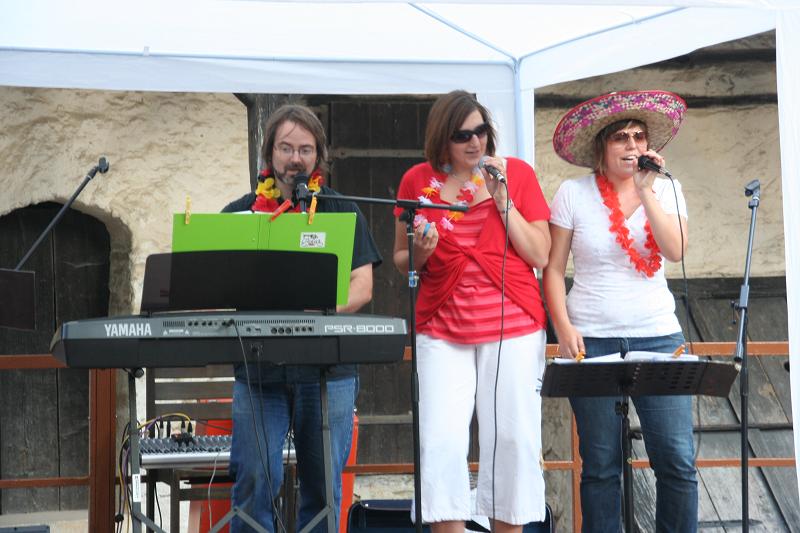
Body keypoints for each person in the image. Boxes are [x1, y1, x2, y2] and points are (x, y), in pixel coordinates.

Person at [393, 90, 551, 533]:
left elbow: (540, 253)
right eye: (462, 135)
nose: (475, 141)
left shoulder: (515, 173)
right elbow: (403, 259)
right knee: (441, 439)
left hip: (513, 324)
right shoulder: (417, 181)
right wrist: (422, 252)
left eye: (481, 131)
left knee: (512, 437)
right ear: (442, 139)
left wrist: (503, 201)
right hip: (443, 326)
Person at [223, 104, 381, 533]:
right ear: (269, 153)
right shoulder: (239, 214)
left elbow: (363, 286)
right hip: (260, 372)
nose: (295, 158)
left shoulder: (342, 210)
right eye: (286, 148)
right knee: (255, 482)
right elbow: (216, 283)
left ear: (318, 155)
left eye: (305, 149)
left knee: (323, 490)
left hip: (327, 373)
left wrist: (320, 309)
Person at [543, 90, 695, 532]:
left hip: (659, 337)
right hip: (592, 339)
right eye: (621, 138)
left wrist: (647, 192)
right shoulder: (573, 193)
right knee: (601, 464)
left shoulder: (667, 188)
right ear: (602, 148)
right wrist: (562, 327)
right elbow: (552, 269)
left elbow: (675, 250)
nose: (632, 145)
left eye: (639, 137)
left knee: (676, 460)